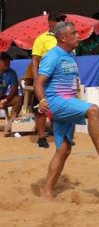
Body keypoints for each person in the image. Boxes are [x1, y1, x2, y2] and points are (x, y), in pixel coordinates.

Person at [35, 21, 99, 200]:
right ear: (63, 37)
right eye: (74, 33)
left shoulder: (71, 54)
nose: (78, 36)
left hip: (68, 100)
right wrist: (41, 99)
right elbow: (39, 81)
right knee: (93, 110)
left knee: (64, 149)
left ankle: (46, 190)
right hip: (56, 102)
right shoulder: (53, 56)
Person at [24, 12, 66, 148]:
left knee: (60, 107)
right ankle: (42, 137)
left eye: (62, 20)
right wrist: (36, 79)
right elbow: (35, 60)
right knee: (41, 107)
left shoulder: (65, 38)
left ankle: (59, 134)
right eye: (58, 20)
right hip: (45, 78)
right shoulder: (41, 39)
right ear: (50, 23)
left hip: (60, 78)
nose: (61, 22)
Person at [0, 53, 22, 136]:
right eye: (5, 60)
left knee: (18, 99)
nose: (8, 62)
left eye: (9, 60)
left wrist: (5, 100)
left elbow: (14, 90)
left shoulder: (11, 72)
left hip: (2, 98)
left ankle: (11, 124)